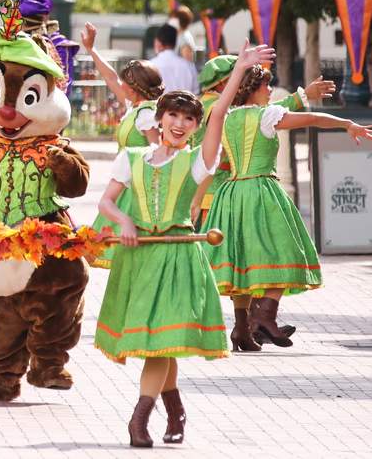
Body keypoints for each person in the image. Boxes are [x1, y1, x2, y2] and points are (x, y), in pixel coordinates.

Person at [94, 47, 271, 448]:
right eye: (172, 116)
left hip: (178, 260)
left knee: (158, 345)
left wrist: (240, 70)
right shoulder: (132, 157)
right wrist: (123, 221)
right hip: (139, 259)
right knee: (157, 341)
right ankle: (175, 409)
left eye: (188, 119)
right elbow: (106, 201)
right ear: (158, 119)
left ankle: (138, 420)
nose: (179, 124)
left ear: (194, 127)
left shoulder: (197, 162)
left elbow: (220, 117)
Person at [203, 58, 369, 352]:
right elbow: (313, 119)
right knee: (284, 250)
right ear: (252, 89)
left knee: (242, 260)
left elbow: (210, 161)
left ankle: (245, 326)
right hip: (260, 190)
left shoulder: (226, 117)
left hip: (231, 192)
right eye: (266, 84)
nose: (270, 89)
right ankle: (263, 317)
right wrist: (346, 123)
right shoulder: (266, 115)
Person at [79, 22, 164, 269]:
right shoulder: (134, 107)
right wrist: (92, 50)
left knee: (133, 251)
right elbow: (110, 77)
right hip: (124, 184)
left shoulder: (147, 115)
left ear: (134, 87)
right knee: (123, 254)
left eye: (126, 81)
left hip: (137, 189)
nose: (121, 84)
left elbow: (157, 151)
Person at [148, 24, 198, 95]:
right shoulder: (189, 66)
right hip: (185, 105)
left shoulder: (150, 66)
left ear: (158, 43)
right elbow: (196, 93)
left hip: (158, 105)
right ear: (175, 43)